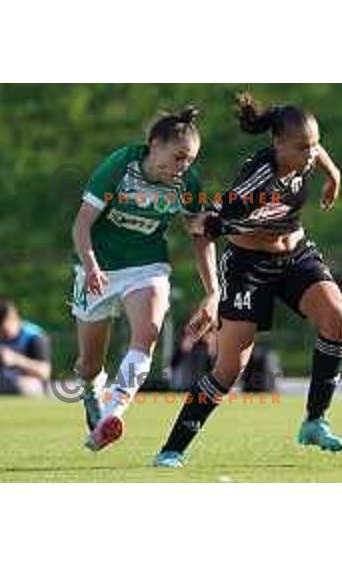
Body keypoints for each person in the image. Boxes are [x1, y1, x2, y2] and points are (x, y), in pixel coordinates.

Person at [153, 93, 342, 468]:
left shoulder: (303, 156)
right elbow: (202, 231)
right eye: (301, 147)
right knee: (229, 368)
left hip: (295, 255)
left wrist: (333, 174)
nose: (309, 155)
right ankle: (172, 448)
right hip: (247, 266)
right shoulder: (254, 184)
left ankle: (314, 420)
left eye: (313, 146)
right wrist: (212, 294)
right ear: (277, 144)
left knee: (336, 316)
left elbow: (317, 150)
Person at [71, 107, 218, 452]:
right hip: (99, 267)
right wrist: (91, 266)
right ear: (154, 145)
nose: (184, 166)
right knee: (89, 364)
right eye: (179, 157)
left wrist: (213, 293)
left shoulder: (187, 183)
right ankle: (92, 391)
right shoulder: (121, 165)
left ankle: (111, 415)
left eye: (190, 159)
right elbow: (81, 225)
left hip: (146, 266)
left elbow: (199, 236)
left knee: (147, 335)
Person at [0, 301, 51, 396]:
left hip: (22, 382)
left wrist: (15, 360)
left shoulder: (33, 336)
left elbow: (45, 372)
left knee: (20, 388)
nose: (0, 335)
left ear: (16, 320)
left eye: (4, 331)